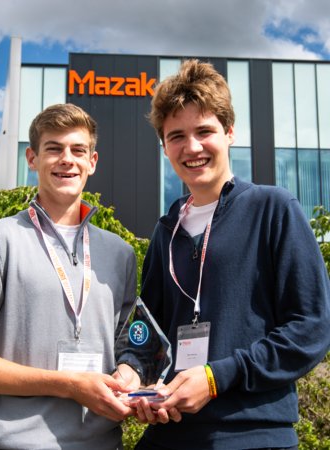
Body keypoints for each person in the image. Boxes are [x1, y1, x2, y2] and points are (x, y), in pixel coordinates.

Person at [133, 59, 330, 450]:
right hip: (170, 433)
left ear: (229, 133)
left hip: (252, 434)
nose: (192, 147)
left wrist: (216, 377)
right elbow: (149, 339)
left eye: (204, 131)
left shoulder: (273, 209)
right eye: (176, 136)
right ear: (164, 145)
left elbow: (311, 328)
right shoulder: (165, 231)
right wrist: (140, 384)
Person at [0, 103, 140, 450]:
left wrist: (130, 372)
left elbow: (125, 348)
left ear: (92, 162)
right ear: (32, 159)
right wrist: (67, 384)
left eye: (78, 150)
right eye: (54, 149)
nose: (67, 159)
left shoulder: (120, 252)